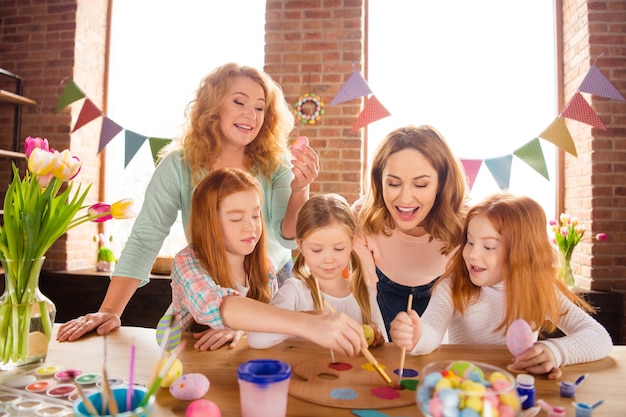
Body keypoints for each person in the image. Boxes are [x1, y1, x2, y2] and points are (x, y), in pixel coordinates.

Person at [57, 63, 320, 342]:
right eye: (239, 101)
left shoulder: (275, 163)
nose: (250, 115)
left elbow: (288, 238)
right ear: (214, 105)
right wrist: (110, 310)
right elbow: (146, 236)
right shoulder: (179, 165)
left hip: (267, 284)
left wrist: (301, 189)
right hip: (205, 283)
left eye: (259, 107)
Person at [390, 193, 613, 379]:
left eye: (488, 247)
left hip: (513, 387)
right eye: (469, 241)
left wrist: (556, 351)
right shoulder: (453, 285)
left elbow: (599, 337)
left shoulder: (537, 289)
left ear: (520, 253)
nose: (472, 254)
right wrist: (416, 337)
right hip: (464, 385)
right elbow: (432, 330)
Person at [166, 168, 365, 355]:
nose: (250, 227)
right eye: (236, 219)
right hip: (179, 362)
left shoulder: (265, 267)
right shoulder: (187, 262)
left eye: (255, 215)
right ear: (208, 223)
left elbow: (268, 319)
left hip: (230, 365)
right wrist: (307, 324)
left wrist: (242, 329)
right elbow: (215, 306)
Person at [352, 125, 468, 338]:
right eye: (394, 183)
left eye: (421, 185)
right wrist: (373, 327)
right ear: (380, 181)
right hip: (381, 292)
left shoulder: (465, 222)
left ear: (441, 183)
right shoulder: (361, 216)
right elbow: (366, 288)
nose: (405, 199)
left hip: (439, 295)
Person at [248, 194, 388, 349]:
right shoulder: (295, 292)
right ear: (300, 246)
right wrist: (305, 321)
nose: (328, 259)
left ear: (352, 242)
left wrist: (377, 338)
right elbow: (257, 339)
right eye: (316, 250)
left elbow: (385, 345)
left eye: (338, 248)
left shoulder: (365, 293)